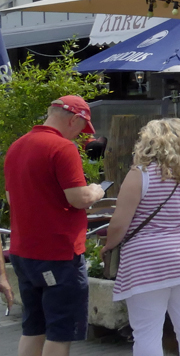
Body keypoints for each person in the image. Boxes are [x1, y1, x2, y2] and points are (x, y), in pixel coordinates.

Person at [102, 119, 180, 356]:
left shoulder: (140, 176)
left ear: (147, 143)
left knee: (147, 330)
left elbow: (119, 225)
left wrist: (107, 247)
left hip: (148, 260)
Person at [3, 96, 106, 356]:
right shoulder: (62, 148)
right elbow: (78, 198)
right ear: (73, 119)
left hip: (23, 250)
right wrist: (96, 191)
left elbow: (10, 198)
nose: (80, 135)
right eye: (81, 128)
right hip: (59, 252)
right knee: (60, 331)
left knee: (33, 327)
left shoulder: (17, 146)